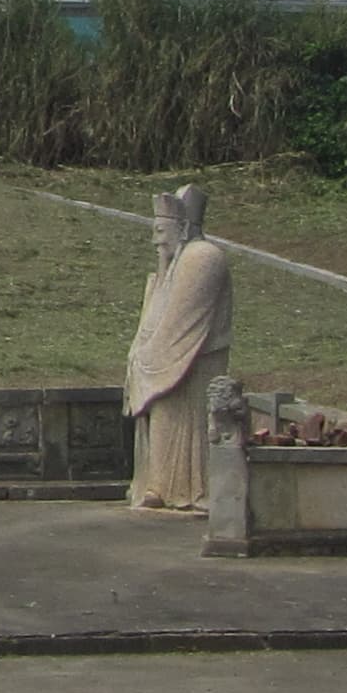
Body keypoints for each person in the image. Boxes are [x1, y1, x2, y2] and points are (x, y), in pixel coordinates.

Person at [124, 184, 232, 512]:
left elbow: (179, 324)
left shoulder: (203, 257)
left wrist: (144, 360)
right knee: (163, 416)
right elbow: (154, 318)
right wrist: (162, 265)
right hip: (168, 357)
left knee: (179, 422)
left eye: (160, 231)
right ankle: (160, 485)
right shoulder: (176, 261)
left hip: (192, 359)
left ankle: (182, 488)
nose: (155, 240)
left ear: (182, 228)